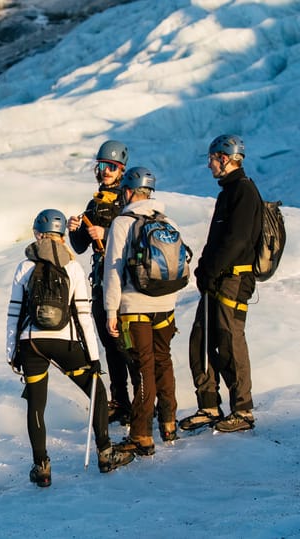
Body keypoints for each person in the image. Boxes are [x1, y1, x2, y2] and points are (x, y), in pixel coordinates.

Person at [7, 209, 134, 487]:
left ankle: (41, 467)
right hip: (64, 343)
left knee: (36, 404)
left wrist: (12, 352)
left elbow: (14, 312)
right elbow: (83, 315)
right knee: (97, 390)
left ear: (37, 233)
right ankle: (104, 452)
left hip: (32, 345)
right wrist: (94, 357)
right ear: (63, 235)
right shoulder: (73, 267)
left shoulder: (24, 267)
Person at [179, 134, 263, 433]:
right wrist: (205, 270)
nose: (209, 164)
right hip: (218, 278)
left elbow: (236, 240)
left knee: (230, 342)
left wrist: (210, 271)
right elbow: (219, 239)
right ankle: (209, 405)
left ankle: (243, 410)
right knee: (200, 341)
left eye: (213, 158)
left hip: (233, 279)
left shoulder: (243, 191)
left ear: (225, 158)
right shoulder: (229, 191)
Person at [102, 167, 181, 456]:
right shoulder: (166, 219)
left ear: (130, 191)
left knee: (143, 367)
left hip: (136, 307)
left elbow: (113, 270)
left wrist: (111, 309)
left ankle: (141, 434)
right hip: (166, 305)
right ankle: (169, 421)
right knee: (164, 361)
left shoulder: (123, 222)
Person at [67, 140, 135, 427]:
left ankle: (144, 401)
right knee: (110, 343)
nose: (106, 171)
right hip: (101, 281)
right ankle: (121, 401)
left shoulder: (127, 200)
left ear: (121, 171)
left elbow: (134, 234)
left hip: (123, 279)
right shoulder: (95, 203)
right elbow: (82, 247)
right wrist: (76, 232)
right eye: (102, 166)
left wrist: (106, 233)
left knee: (126, 343)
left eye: (112, 167)